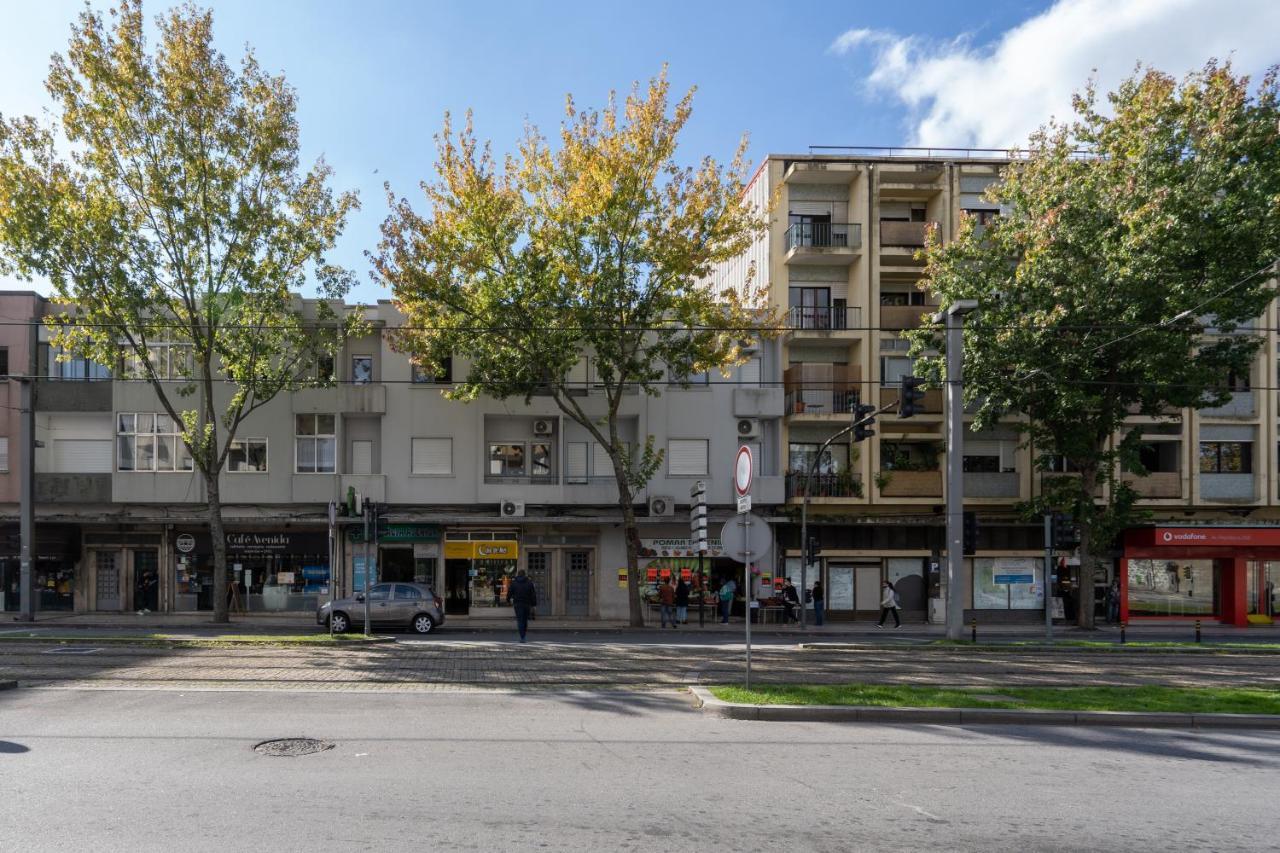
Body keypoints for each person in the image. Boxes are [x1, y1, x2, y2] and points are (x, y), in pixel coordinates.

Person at [506, 568, 537, 643]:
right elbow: (533, 595)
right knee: (525, 619)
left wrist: (508, 600)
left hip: (517, 604)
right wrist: (534, 604)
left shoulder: (514, 583)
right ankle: (524, 634)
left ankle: (522, 636)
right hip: (527, 604)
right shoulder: (529, 583)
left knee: (520, 620)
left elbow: (509, 592)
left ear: (518, 574)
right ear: (525, 574)